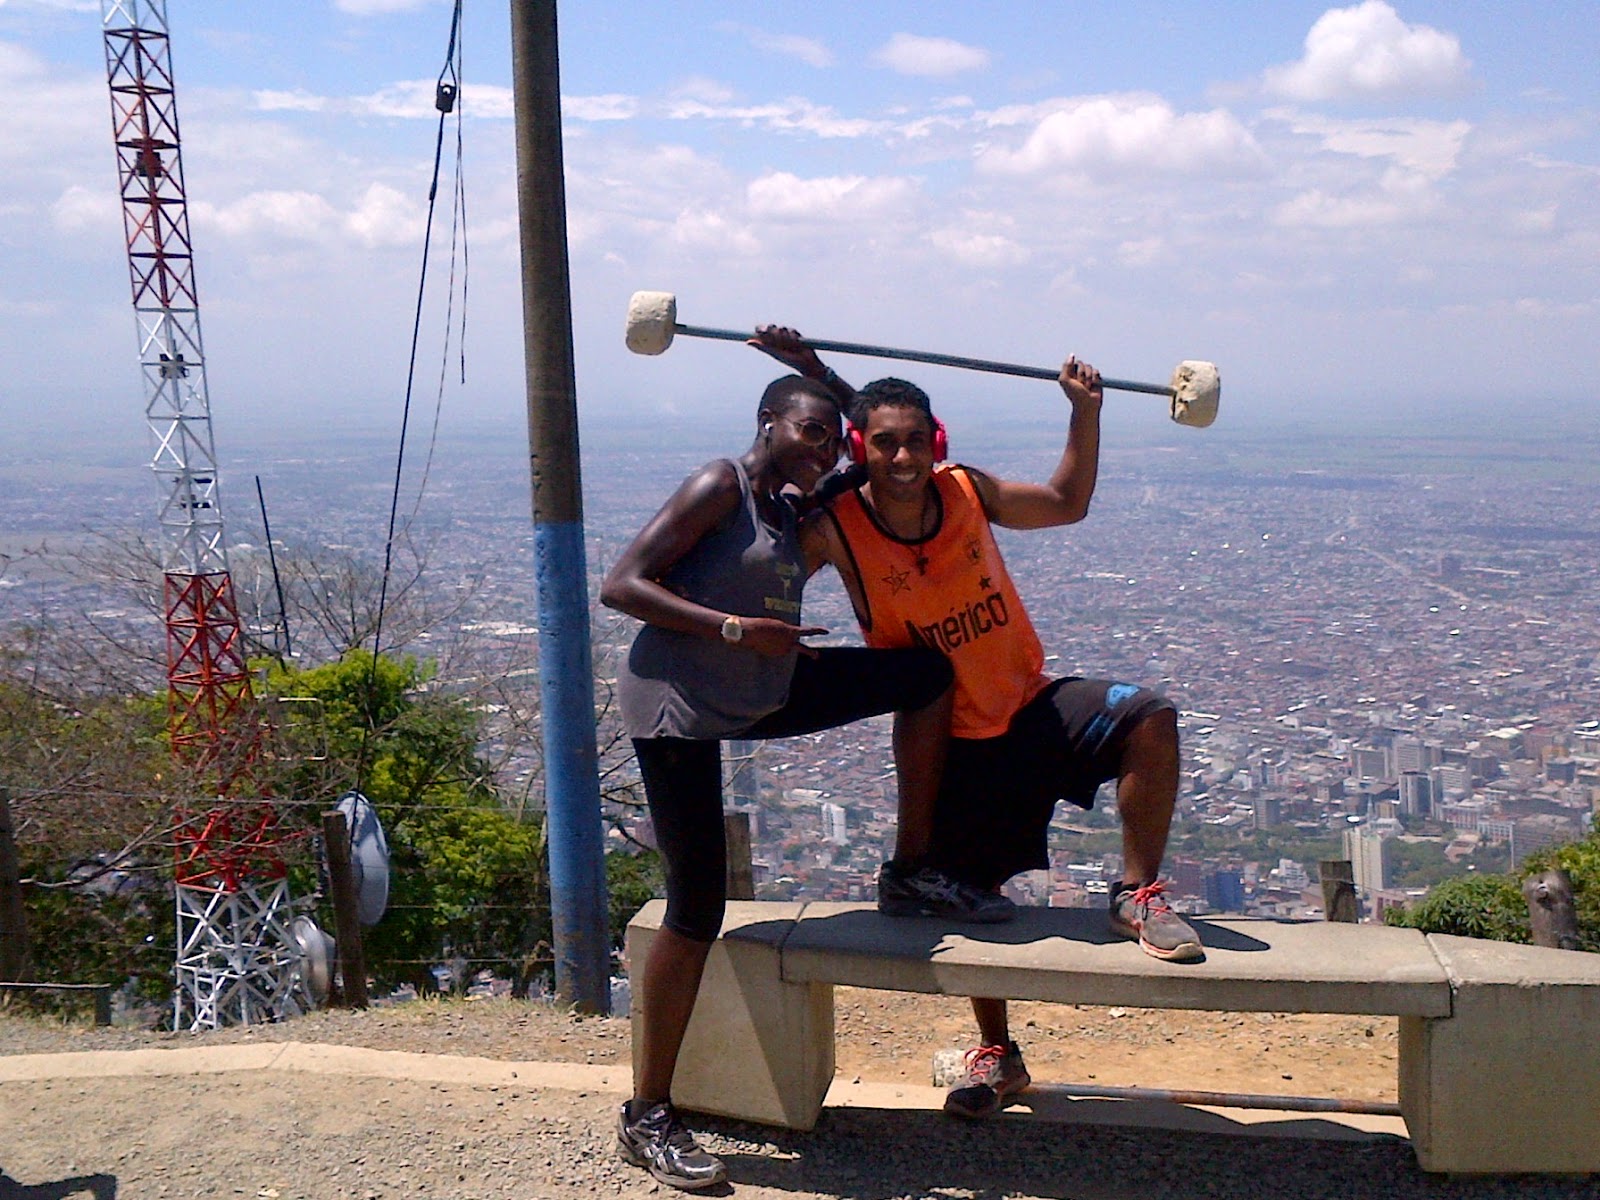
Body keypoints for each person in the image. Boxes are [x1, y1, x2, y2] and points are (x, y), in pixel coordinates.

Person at [752, 329, 1203, 1122]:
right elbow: (766, 558)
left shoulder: (966, 490)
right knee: (977, 904)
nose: (902, 458)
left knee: (1150, 717)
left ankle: (1136, 893)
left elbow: (1065, 503)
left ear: (937, 443)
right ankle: (998, 1052)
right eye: (883, 444)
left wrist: (1085, 413)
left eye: (914, 442)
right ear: (860, 448)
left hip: (1030, 704)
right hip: (952, 743)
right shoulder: (838, 528)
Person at [600, 371, 1009, 1191]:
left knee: (924, 676)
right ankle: (648, 1114)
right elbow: (621, 585)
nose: (827, 449)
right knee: (696, 906)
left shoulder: (795, 506)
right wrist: (734, 627)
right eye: (809, 431)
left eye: (832, 436)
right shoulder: (721, 485)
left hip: (760, 686)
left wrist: (819, 370)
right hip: (678, 705)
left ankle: (910, 870)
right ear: (768, 423)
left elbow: (883, 440)